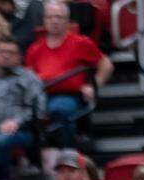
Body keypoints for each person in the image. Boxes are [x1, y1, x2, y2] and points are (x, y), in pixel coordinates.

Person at [24, 1, 112, 149]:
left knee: (58, 109)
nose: (54, 21)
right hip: (41, 95)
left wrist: (94, 85)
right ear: (44, 21)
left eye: (59, 17)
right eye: (50, 17)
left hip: (69, 95)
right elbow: (27, 76)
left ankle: (68, 151)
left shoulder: (81, 43)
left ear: (67, 21)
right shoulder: (35, 49)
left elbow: (106, 64)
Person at [0, 37, 44, 180]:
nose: (6, 56)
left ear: (19, 57)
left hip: (19, 130)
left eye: (11, 53)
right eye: (2, 52)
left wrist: (17, 121)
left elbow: (39, 109)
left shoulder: (29, 78)